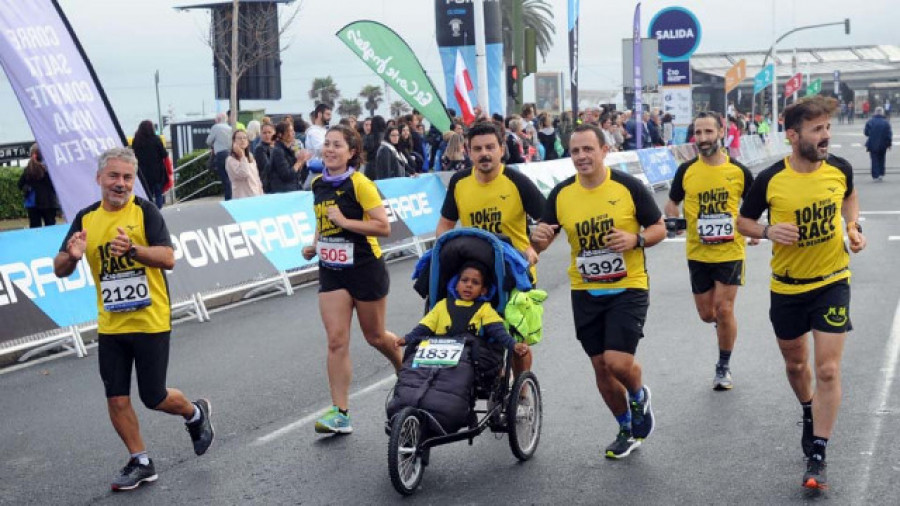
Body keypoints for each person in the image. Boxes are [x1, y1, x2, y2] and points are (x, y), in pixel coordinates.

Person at [52, 147, 214, 491]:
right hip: (111, 324)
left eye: (127, 177)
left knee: (153, 396)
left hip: (150, 319)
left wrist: (133, 250)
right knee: (116, 397)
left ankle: (195, 413)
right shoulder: (86, 218)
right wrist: (73, 256)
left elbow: (168, 258)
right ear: (99, 178)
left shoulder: (146, 212)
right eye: (113, 176)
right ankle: (140, 460)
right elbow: (60, 268)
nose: (120, 184)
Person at [736, 95, 866, 490]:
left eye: (827, 128)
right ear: (793, 136)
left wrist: (852, 227)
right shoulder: (770, 178)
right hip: (787, 288)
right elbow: (743, 221)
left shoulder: (839, 169)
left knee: (827, 368)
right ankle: (808, 410)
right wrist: (767, 230)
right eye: (817, 130)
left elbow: (849, 198)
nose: (825, 136)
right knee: (796, 367)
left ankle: (818, 453)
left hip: (831, 281)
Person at [531, 124, 665, 459]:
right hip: (585, 290)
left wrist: (637, 239)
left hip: (627, 286)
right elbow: (543, 239)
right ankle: (625, 428)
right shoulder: (561, 194)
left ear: (605, 151)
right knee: (600, 368)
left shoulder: (628, 187)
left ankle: (638, 395)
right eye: (575, 151)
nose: (581, 157)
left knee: (617, 362)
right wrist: (538, 241)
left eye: (588, 149)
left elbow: (659, 227)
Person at [301, 125, 402, 434]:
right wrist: (314, 244)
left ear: (351, 152)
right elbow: (323, 219)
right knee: (336, 340)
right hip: (331, 269)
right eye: (327, 145)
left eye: (337, 145)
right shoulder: (318, 184)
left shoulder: (361, 184)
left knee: (374, 336)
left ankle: (405, 365)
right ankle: (340, 413)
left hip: (364, 266)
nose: (329, 150)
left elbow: (383, 227)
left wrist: (345, 222)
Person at [436, 121, 545, 375]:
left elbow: (548, 221)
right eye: (478, 148)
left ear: (501, 149)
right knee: (482, 337)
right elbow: (444, 224)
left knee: (518, 342)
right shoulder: (460, 182)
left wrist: (533, 248)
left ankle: (523, 395)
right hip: (476, 274)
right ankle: (492, 390)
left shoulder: (517, 181)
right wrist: (442, 248)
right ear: (468, 151)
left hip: (515, 273)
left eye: (490, 147)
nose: (484, 153)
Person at [664, 112, 756, 390]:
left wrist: (753, 232)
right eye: (698, 133)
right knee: (708, 314)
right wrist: (674, 222)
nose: (703, 139)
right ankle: (722, 329)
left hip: (730, 251)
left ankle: (723, 366)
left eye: (708, 132)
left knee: (724, 309)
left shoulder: (738, 171)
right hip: (698, 252)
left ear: (720, 132)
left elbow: (752, 205)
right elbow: (672, 203)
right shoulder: (687, 171)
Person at [399, 261, 528, 359]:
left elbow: (498, 331)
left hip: (468, 357)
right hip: (440, 353)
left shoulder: (484, 309)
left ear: (483, 291)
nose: (469, 285)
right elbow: (425, 327)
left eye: (475, 282)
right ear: (456, 285)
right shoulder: (442, 305)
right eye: (464, 280)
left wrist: (513, 344)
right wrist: (407, 339)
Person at [17, 144, 59, 228]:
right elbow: (54, 185)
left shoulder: (28, 169)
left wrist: (27, 187)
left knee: (35, 229)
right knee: (51, 229)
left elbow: (20, 184)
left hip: (33, 204)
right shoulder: (48, 168)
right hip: (49, 203)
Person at [132, 120, 170, 209]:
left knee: (147, 194)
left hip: (142, 173)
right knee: (158, 194)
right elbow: (164, 154)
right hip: (157, 173)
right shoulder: (156, 139)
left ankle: (149, 212)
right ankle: (157, 211)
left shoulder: (136, 141)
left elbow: (134, 156)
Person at [268, 121, 310, 193]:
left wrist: (302, 161)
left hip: (293, 189)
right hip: (284, 192)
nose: (293, 133)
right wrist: (299, 162)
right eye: (290, 131)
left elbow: (296, 173)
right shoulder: (278, 151)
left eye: (293, 130)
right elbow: (286, 175)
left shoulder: (288, 149)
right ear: (280, 135)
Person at [225, 130, 263, 198]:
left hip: (255, 195)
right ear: (234, 141)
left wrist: (261, 194)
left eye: (245, 138)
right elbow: (244, 174)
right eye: (239, 138)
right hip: (242, 197)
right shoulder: (230, 160)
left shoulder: (250, 156)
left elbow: (256, 178)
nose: (242, 140)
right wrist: (242, 155)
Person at [303, 104, 332, 189]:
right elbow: (320, 149)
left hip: (325, 171)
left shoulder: (323, 130)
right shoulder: (314, 132)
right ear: (319, 114)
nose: (330, 117)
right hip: (317, 172)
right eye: (327, 114)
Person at [206, 113, 233, 200]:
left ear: (218, 119)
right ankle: (232, 196)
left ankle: (228, 198)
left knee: (224, 178)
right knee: (230, 176)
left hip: (221, 154)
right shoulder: (230, 128)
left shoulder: (216, 127)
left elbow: (208, 141)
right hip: (230, 153)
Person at [864, 106, 893, 182]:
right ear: (882, 113)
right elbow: (889, 135)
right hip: (883, 144)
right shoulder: (886, 122)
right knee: (882, 158)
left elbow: (866, 133)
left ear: (875, 112)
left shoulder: (870, 121)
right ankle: (881, 173)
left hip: (872, 143)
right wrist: (889, 144)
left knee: (874, 159)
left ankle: (875, 175)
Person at [253, 122, 276, 193]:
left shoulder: (277, 146)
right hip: (267, 183)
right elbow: (266, 167)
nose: (267, 135)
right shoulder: (260, 148)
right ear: (261, 134)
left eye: (269, 132)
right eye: (264, 133)